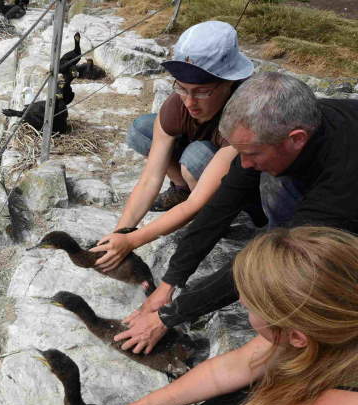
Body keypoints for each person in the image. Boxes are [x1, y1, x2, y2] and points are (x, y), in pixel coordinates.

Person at [69, 226, 358, 405]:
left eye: (251, 305)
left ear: (296, 337)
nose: (242, 303)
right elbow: (233, 367)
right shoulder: (329, 324)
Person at [118, 71, 358, 354]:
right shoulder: (281, 131)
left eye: (252, 153)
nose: (244, 164)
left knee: (302, 264)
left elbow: (275, 257)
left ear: (296, 139)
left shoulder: (342, 178)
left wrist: (169, 317)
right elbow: (221, 206)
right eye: (239, 151)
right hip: (319, 177)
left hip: (348, 203)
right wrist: (170, 281)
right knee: (264, 180)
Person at [90, 21, 260, 273]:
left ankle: (218, 215)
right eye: (182, 88)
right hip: (204, 155)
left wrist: (132, 241)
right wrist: (120, 233)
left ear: (228, 84)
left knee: (195, 158)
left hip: (248, 188)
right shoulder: (178, 104)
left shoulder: (243, 116)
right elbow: (150, 178)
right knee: (143, 129)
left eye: (202, 91)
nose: (190, 102)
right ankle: (182, 188)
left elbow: (196, 203)